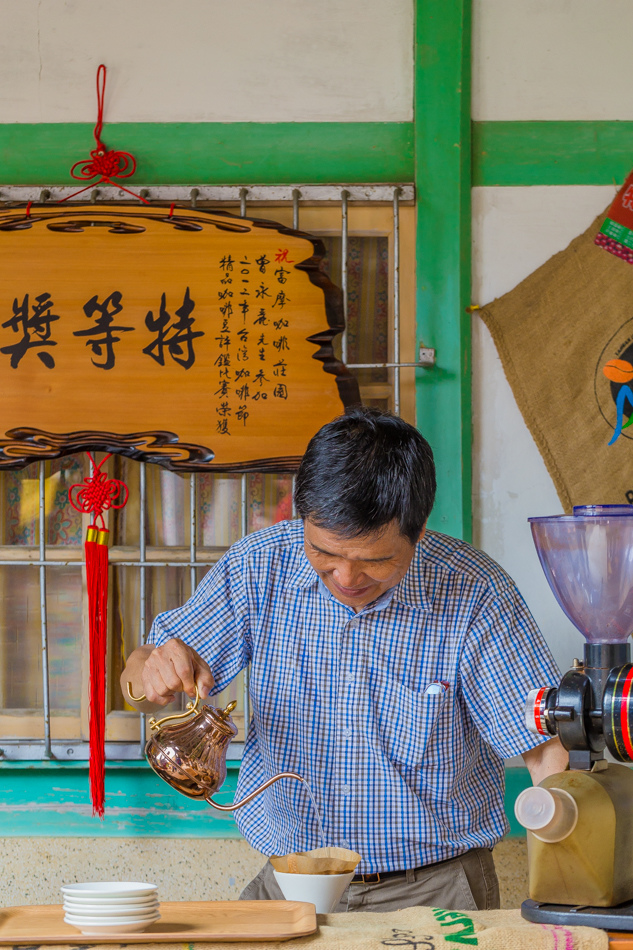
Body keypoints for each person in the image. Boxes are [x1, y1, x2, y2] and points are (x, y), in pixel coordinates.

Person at [122, 407, 566, 912]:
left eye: (374, 561)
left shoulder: (475, 592)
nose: (347, 578)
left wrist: (570, 870)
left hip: (434, 888)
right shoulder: (258, 566)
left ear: (417, 533)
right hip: (291, 881)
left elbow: (544, 747)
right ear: (303, 519)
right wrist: (150, 667)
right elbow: (138, 676)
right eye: (325, 554)